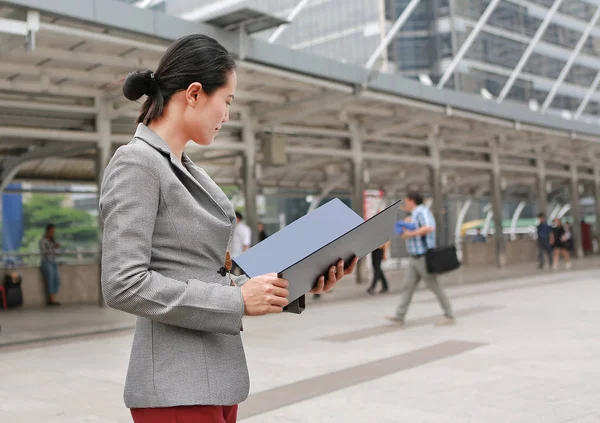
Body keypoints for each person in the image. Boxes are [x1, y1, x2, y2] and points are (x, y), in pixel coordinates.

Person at [99, 34, 357, 423]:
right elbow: (124, 283)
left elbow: (208, 272)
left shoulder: (186, 168)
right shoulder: (136, 164)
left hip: (213, 379)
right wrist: (237, 302)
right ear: (195, 93)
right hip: (174, 388)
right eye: (228, 101)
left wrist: (299, 279)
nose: (228, 115)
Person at [387, 191, 454, 326]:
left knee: (434, 286)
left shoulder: (421, 211)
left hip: (423, 257)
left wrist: (411, 234)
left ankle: (449, 315)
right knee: (408, 286)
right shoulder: (415, 214)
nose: (405, 204)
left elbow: (429, 227)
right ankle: (399, 316)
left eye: (406, 201)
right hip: (414, 258)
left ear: (412, 201)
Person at [39, 223, 61, 306]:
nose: (52, 233)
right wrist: (53, 248)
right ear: (47, 231)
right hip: (46, 262)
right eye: (51, 231)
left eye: (53, 231)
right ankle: (51, 299)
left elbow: (55, 253)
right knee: (50, 279)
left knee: (56, 279)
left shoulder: (52, 241)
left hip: (53, 262)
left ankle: (54, 297)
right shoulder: (43, 241)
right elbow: (44, 252)